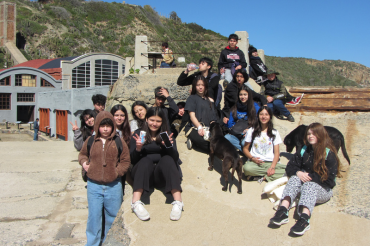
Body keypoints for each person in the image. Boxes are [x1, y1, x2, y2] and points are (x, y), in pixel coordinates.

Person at [269, 123, 341, 236]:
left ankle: (304, 219)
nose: (310, 136)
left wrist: (309, 177)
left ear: (321, 135)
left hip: (323, 189)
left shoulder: (328, 155)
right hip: (304, 185)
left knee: (309, 185)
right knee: (294, 178)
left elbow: (330, 181)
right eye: (309, 134)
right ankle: (282, 210)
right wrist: (298, 173)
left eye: (314, 134)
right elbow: (290, 166)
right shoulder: (304, 150)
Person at [78, 111, 130, 245]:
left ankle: (108, 242)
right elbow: (82, 155)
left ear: (113, 126)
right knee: (94, 217)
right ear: (97, 126)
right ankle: (93, 243)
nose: (105, 129)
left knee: (112, 218)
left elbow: (125, 160)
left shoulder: (119, 141)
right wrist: (84, 163)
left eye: (108, 126)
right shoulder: (91, 140)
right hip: (93, 185)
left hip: (114, 185)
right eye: (102, 126)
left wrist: (117, 172)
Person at [130, 107, 183, 221]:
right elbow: (132, 160)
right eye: (152, 120)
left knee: (168, 159)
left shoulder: (165, 134)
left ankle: (178, 202)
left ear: (162, 121)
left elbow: (175, 158)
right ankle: (135, 202)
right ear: (146, 119)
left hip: (160, 175)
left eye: (158, 121)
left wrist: (167, 146)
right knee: (145, 160)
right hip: (143, 173)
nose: (154, 124)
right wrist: (138, 148)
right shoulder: (140, 134)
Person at [242, 106, 286, 183]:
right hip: (256, 163)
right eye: (261, 114)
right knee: (246, 168)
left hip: (270, 162)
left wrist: (272, 167)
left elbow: (276, 153)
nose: (264, 117)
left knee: (289, 170)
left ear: (270, 116)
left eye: (266, 114)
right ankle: (270, 176)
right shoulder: (252, 131)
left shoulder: (274, 132)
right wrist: (252, 158)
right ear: (258, 116)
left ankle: (263, 177)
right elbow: (245, 149)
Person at [184, 75, 218, 153]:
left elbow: (213, 118)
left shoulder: (210, 101)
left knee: (218, 142)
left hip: (208, 128)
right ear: (194, 86)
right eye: (198, 85)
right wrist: (199, 127)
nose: (200, 87)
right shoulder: (191, 98)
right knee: (208, 146)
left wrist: (213, 129)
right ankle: (193, 141)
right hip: (195, 127)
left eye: (202, 85)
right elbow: (192, 116)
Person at [224, 85, 259, 151]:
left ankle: (247, 151)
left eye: (245, 94)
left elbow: (260, 122)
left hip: (249, 133)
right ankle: (248, 153)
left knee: (244, 143)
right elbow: (230, 124)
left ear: (249, 95)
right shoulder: (235, 107)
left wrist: (250, 131)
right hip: (237, 133)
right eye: (241, 95)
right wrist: (226, 122)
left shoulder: (255, 107)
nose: (243, 97)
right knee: (226, 137)